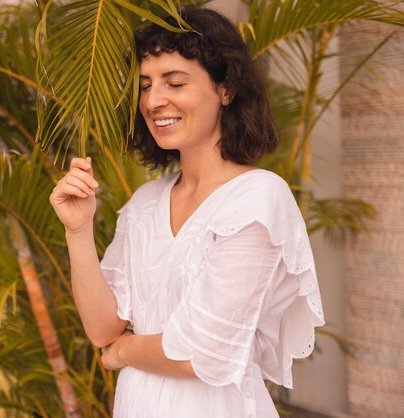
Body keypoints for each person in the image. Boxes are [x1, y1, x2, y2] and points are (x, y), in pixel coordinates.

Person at [49, 8, 324, 418]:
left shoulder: (257, 199)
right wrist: (78, 230)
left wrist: (122, 349)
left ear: (225, 90)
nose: (155, 100)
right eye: (145, 85)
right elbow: (101, 327)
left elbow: (201, 353)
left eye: (175, 82)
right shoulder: (144, 202)